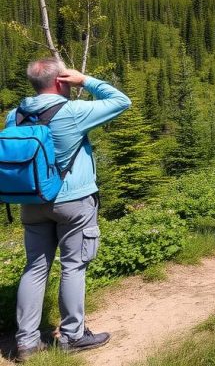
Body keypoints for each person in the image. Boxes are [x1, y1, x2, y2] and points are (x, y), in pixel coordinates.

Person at [7, 59, 130, 361]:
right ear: (60, 80)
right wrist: (85, 80)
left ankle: (26, 342)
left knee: (35, 268)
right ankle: (73, 336)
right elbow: (121, 101)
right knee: (73, 265)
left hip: (32, 201)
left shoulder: (15, 115)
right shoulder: (72, 112)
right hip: (72, 201)